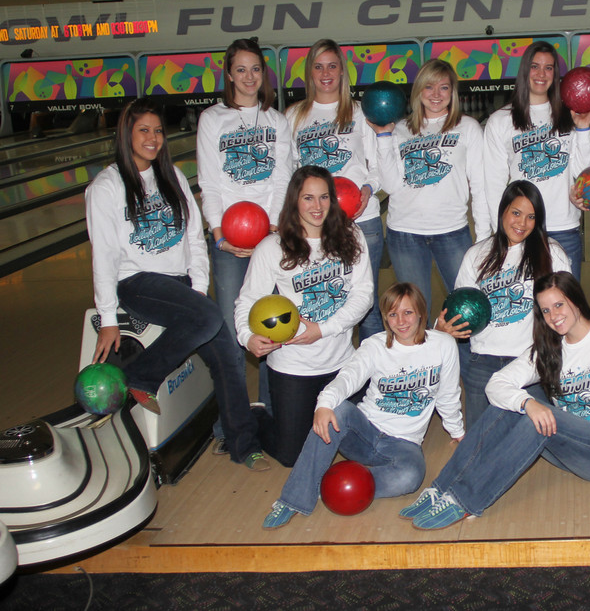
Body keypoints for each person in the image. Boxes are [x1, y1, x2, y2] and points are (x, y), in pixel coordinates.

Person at [85, 99, 266, 471]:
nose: (153, 139)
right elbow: (103, 254)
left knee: (228, 356)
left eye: (158, 131)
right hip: (136, 282)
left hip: (181, 284)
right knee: (209, 322)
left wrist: (198, 288)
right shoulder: (107, 186)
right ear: (126, 134)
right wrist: (106, 317)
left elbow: (193, 240)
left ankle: (242, 444)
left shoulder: (173, 176)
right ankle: (140, 375)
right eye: (143, 130)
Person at [402, 272, 590, 530]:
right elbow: (496, 384)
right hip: (570, 448)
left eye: (559, 305)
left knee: (535, 421)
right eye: (545, 310)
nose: (553, 316)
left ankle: (465, 499)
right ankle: (442, 487)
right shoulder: (548, 347)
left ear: (576, 300)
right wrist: (526, 402)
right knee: (512, 406)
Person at [261, 282, 465, 529]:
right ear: (385, 318)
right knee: (339, 409)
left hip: (404, 443)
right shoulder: (375, 346)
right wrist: (324, 404)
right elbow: (349, 376)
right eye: (393, 314)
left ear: (421, 312)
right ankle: (293, 500)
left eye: (408, 312)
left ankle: (324, 485)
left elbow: (448, 393)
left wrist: (457, 431)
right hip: (364, 431)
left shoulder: (443, 345)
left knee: (411, 477)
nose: (401, 321)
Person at [234, 166, 373, 468]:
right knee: (292, 456)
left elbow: (364, 295)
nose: (318, 206)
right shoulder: (272, 247)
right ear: (294, 200)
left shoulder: (352, 235)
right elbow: (247, 300)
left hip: (342, 362)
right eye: (308, 198)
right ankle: (256, 413)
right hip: (293, 366)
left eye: (324, 197)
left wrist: (323, 329)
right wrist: (247, 337)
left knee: (355, 445)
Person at [198, 38, 293, 450]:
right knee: (231, 332)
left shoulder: (276, 120)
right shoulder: (212, 119)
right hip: (228, 243)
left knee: (273, 325)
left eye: (256, 69)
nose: (249, 76)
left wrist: (271, 231)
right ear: (229, 74)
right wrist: (220, 234)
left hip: (271, 237)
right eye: (241, 69)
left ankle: (273, 412)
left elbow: (282, 177)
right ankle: (231, 424)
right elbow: (210, 181)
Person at [435, 181, 570, 429]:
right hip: (483, 359)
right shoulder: (477, 254)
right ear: (503, 212)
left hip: (531, 360)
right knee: (480, 440)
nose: (522, 223)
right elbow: (455, 309)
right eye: (516, 213)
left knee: (539, 435)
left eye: (531, 217)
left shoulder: (552, 253)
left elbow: (568, 310)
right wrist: (442, 328)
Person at [370, 59, 489, 312]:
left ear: (453, 92)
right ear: (419, 91)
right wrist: (383, 137)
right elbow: (390, 186)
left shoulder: (467, 128)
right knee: (414, 313)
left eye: (444, 88)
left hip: (452, 231)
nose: (436, 94)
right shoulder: (400, 129)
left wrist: (484, 236)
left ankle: (466, 354)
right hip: (405, 234)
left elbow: (479, 185)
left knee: (467, 310)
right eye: (429, 87)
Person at [286, 38, 384, 340]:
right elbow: (290, 173)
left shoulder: (358, 112)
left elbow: (378, 164)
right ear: (309, 72)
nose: (325, 72)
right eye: (318, 66)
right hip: (314, 225)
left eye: (332, 65)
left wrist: (369, 188)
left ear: (342, 71)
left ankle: (373, 382)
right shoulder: (294, 116)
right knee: (325, 303)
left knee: (365, 307)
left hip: (360, 219)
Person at [483, 41, 590, 278]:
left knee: (566, 306)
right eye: (535, 66)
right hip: (522, 229)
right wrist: (500, 232)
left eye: (549, 68)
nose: (541, 74)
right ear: (525, 70)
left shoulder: (569, 115)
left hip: (565, 226)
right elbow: (493, 183)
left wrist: (583, 128)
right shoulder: (500, 120)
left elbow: (585, 171)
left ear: (556, 74)